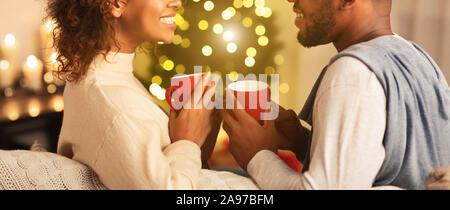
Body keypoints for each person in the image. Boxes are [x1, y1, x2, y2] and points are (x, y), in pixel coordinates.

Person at [222, 0, 450, 190]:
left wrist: (257, 155)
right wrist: (302, 142)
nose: (291, 0)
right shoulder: (418, 58)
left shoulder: (352, 72)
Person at [49, 0, 258, 190]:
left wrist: (199, 146)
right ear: (114, 4)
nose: (177, 3)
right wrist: (187, 143)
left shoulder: (109, 78)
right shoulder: (115, 104)